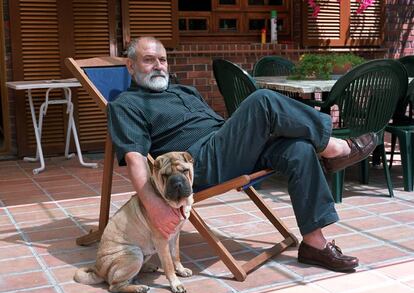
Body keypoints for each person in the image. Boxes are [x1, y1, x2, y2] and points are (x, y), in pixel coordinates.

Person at [107, 36, 377, 272]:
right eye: (149, 60)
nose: (158, 66)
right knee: (263, 101)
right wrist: (155, 206)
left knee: (299, 149)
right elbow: (135, 158)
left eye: (163, 60)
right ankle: (335, 148)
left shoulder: (182, 90)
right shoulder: (126, 104)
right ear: (130, 66)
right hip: (198, 162)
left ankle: (314, 244)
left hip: (224, 145)